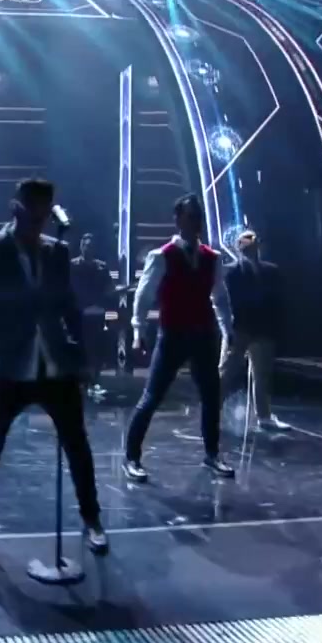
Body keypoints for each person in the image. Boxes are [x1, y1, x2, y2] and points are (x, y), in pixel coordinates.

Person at [0, 178, 106, 561]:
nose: (39, 221)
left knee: (78, 446)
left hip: (55, 365)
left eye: (44, 213)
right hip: (7, 367)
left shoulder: (57, 251)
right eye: (32, 213)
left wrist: (82, 357)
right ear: (17, 209)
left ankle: (92, 519)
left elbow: (69, 307)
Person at [123, 194, 234, 482]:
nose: (196, 222)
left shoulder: (212, 258)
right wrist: (138, 331)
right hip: (173, 334)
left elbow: (220, 298)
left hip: (203, 335)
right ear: (178, 220)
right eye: (190, 216)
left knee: (211, 397)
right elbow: (143, 296)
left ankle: (212, 454)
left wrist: (228, 330)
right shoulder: (162, 255)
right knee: (152, 397)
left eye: (198, 217)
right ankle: (131, 457)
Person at [220, 230, 290, 431]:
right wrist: (228, 328)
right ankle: (212, 410)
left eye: (254, 242)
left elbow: (277, 301)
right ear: (239, 247)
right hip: (239, 328)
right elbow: (226, 301)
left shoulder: (271, 271)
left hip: (263, 329)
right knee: (227, 372)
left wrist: (275, 326)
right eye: (247, 242)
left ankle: (264, 416)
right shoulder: (230, 272)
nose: (251, 245)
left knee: (262, 374)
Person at [70, 233, 116, 396]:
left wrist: (110, 294)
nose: (88, 249)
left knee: (95, 347)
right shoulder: (72, 266)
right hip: (79, 312)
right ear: (81, 247)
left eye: (91, 246)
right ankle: (81, 382)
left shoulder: (102, 267)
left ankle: (94, 380)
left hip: (97, 312)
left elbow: (109, 288)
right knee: (80, 347)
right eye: (86, 246)